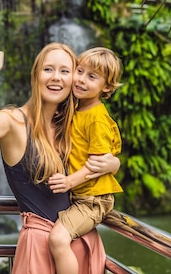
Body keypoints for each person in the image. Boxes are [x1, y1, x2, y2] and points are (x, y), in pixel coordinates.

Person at [0, 43, 120, 274]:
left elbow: (98, 155)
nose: (56, 77)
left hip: (81, 241)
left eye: (65, 71)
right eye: (48, 69)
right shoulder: (13, 121)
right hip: (40, 247)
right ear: (36, 75)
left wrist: (113, 163)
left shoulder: (70, 124)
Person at [47, 47, 124, 274]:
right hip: (81, 195)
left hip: (92, 199)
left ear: (107, 87)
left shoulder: (97, 119)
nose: (80, 80)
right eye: (79, 71)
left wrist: (70, 182)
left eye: (92, 77)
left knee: (58, 239)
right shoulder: (76, 109)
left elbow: (97, 164)